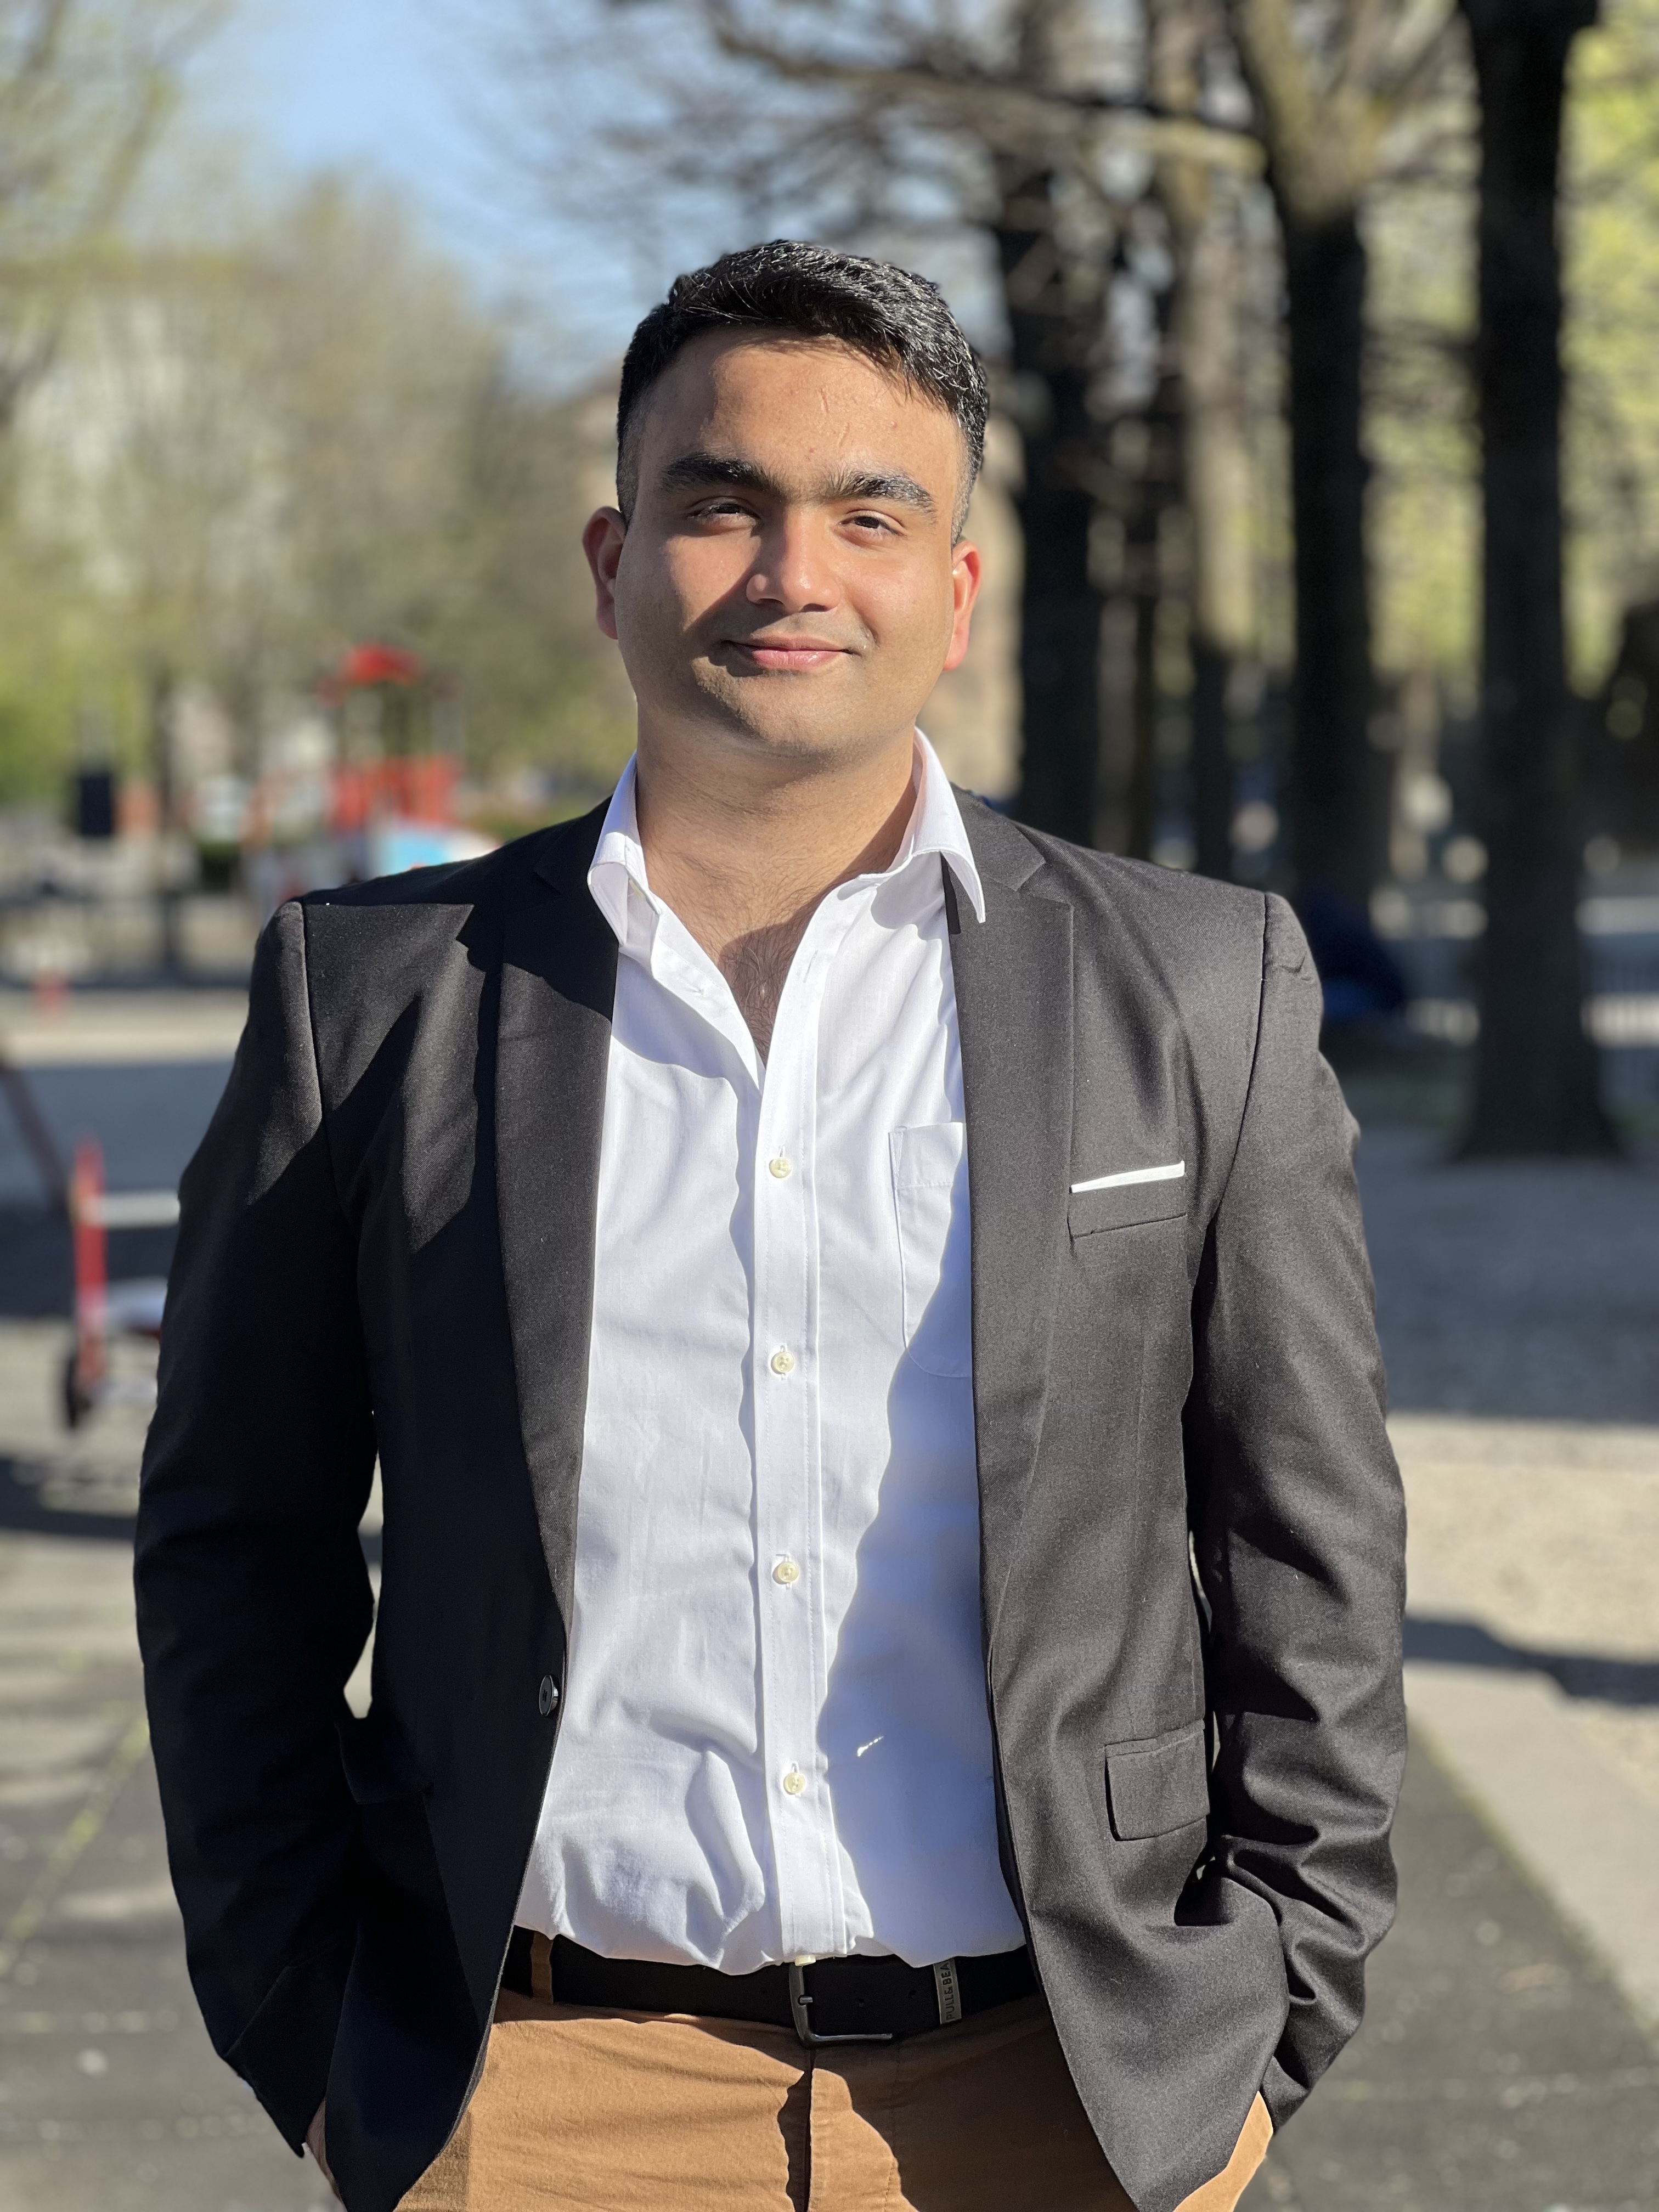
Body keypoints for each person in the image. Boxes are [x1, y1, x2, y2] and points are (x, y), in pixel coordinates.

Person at [134, 241, 1406, 2212]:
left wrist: (1266, 2016)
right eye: (720, 503)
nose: (791, 571)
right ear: (612, 560)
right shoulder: (371, 991)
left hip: (1066, 2100)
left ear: (956, 589)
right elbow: (236, 1538)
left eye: (867, 515)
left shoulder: (1201, 986)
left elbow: (1307, 1545)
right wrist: (309, 2029)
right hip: (541, 2103)